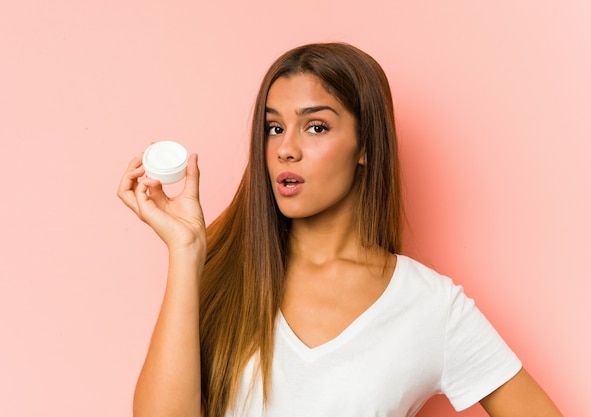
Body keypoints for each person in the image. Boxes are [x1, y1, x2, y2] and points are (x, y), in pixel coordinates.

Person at [118, 42, 562, 417]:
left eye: (315, 126)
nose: (285, 149)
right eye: (274, 127)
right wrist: (187, 249)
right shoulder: (217, 270)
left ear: (366, 146)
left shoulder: (430, 306)